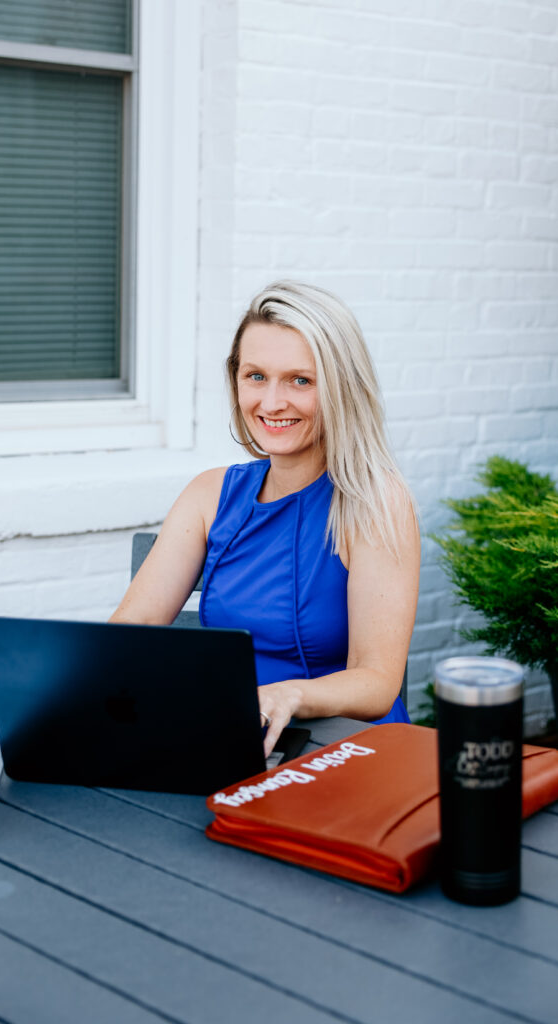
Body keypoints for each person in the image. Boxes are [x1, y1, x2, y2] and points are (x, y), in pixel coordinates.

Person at [111, 281, 420, 756]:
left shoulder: (375, 502)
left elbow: (377, 681)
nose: (272, 403)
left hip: (348, 748)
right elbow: (134, 626)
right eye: (256, 376)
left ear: (341, 387)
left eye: (300, 380)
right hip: (234, 737)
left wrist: (288, 695)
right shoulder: (209, 494)